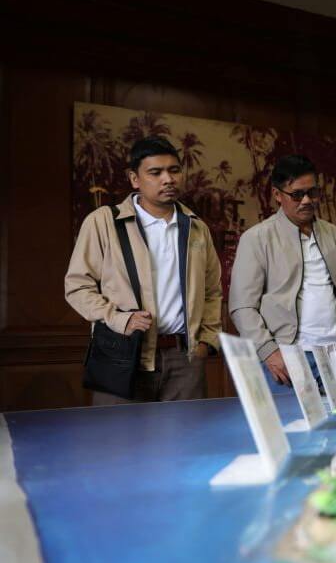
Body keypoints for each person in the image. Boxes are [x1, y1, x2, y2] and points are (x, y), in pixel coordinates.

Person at [65, 136, 222, 404]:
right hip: (121, 353)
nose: (168, 179)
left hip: (183, 359)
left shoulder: (196, 228)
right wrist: (118, 318)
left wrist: (206, 342)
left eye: (174, 170)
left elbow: (212, 290)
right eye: (156, 172)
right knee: (117, 441)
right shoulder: (104, 222)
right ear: (134, 179)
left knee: (186, 442)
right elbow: (77, 287)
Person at [229, 154, 336, 393]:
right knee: (287, 429)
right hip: (286, 356)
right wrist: (269, 351)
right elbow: (242, 306)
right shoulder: (257, 238)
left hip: (333, 352)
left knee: (335, 427)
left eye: (313, 192)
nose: (307, 200)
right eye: (297, 194)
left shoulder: (330, 233)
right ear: (277, 195)